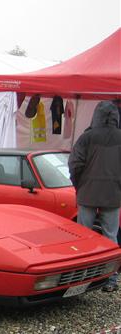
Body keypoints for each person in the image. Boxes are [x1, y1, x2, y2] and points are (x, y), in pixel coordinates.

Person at [68, 100, 121, 292]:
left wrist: (79, 185)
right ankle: (111, 277)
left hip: (88, 192)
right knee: (110, 236)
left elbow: (75, 164)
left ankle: (83, 275)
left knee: (84, 236)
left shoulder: (87, 137)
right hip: (113, 194)